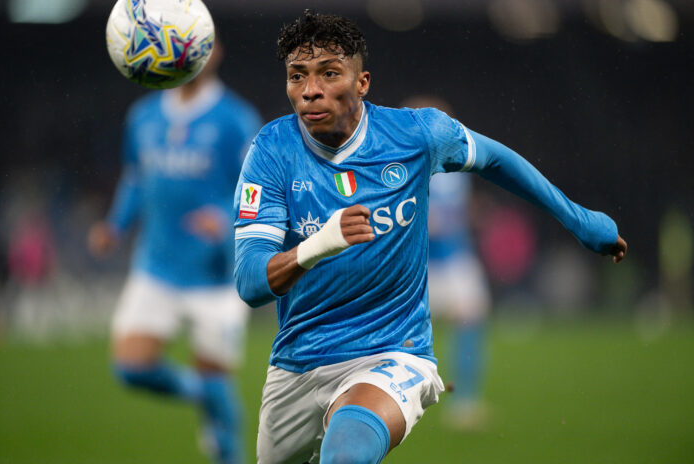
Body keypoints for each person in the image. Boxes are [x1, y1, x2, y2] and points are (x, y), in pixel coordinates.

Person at [233, 11, 627, 464]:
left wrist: (579, 219)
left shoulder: (417, 134)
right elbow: (250, 281)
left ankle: (465, 401)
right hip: (297, 363)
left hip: (391, 352)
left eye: (329, 73)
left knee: (347, 452)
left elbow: (496, 160)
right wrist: (319, 243)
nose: (310, 90)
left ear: (362, 83)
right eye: (297, 76)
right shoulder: (271, 152)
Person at [88, 41, 261, 464]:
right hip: (156, 267)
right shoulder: (143, 116)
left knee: (217, 380)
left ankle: (230, 452)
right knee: (132, 368)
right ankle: (201, 393)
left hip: (216, 275)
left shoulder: (236, 119)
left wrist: (224, 216)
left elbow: (255, 188)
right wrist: (115, 225)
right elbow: (135, 177)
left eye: (204, 45)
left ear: (216, 54)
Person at [403, 95, 493, 430]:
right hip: (420, 265)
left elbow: (455, 214)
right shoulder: (403, 168)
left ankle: (465, 402)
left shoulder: (457, 166)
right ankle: (396, 400)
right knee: (403, 337)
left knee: (472, 320)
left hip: (456, 259)